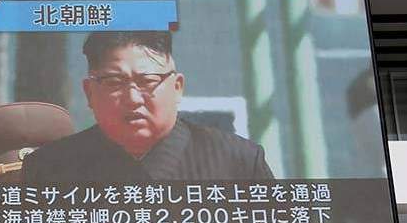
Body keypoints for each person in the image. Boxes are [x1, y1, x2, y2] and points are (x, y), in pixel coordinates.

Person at [23, 31, 274, 183]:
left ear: (177, 87)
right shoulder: (49, 167)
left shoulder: (239, 161)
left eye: (148, 81)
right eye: (114, 82)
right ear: (89, 92)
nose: (133, 98)